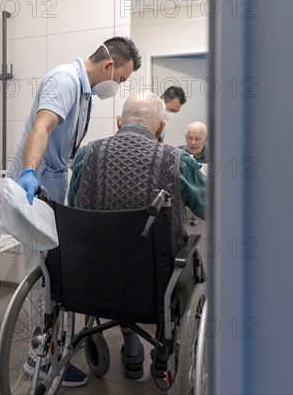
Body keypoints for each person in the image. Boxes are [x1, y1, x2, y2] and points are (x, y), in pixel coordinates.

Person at [7, 36, 142, 387]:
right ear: (109, 66)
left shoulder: (84, 94)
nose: (119, 86)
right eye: (123, 79)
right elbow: (43, 126)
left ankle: (51, 348)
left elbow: (69, 148)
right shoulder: (64, 80)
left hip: (52, 188)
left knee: (53, 272)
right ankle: (40, 360)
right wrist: (29, 173)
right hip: (34, 187)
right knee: (43, 277)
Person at [67, 91, 206, 380]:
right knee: (186, 255)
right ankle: (165, 347)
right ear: (159, 128)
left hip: (92, 277)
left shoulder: (86, 154)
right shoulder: (177, 159)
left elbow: (73, 208)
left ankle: (131, 342)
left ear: (120, 121)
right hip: (156, 282)